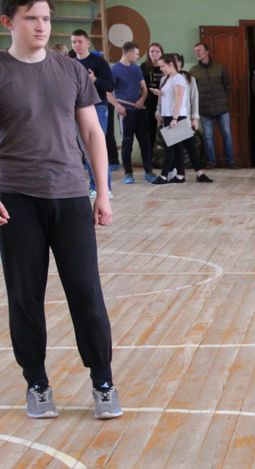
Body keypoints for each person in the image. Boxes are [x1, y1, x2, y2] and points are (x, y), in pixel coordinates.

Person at [0, 0, 121, 419]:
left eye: (46, 18)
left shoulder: (70, 70)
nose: (41, 26)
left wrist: (102, 192)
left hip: (70, 195)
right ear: (8, 22)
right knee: (24, 297)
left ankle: (103, 381)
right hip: (16, 199)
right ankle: (37, 383)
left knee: (87, 293)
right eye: (31, 18)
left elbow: (92, 132)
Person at [150, 53, 212, 185]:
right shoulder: (167, 78)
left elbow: (180, 100)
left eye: (162, 66)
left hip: (176, 117)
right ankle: (182, 175)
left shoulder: (179, 79)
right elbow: (170, 96)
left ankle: (164, 176)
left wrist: (175, 118)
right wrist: (160, 94)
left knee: (173, 148)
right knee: (179, 147)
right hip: (169, 116)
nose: (160, 69)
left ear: (170, 64)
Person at [71, 28, 113, 198]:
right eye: (74, 42)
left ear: (88, 43)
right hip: (76, 108)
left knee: (97, 145)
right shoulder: (70, 62)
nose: (77, 45)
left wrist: (95, 80)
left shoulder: (99, 62)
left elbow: (110, 86)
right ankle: (93, 185)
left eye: (80, 41)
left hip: (98, 106)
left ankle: (105, 187)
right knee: (84, 147)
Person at [109, 41, 155, 184]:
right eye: (136, 53)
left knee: (145, 142)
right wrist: (117, 105)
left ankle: (149, 172)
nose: (138, 56)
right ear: (128, 53)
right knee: (127, 143)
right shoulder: (115, 70)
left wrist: (142, 100)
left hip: (139, 111)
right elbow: (108, 93)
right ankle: (128, 174)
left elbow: (144, 89)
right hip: (125, 113)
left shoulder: (136, 69)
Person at [190, 41, 235, 169]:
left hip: (222, 107)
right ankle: (211, 162)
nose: (197, 53)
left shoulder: (220, 68)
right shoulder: (193, 71)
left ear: (207, 52)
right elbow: (192, 91)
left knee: (227, 134)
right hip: (204, 109)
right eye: (195, 51)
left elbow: (227, 86)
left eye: (199, 50)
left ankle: (230, 161)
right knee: (208, 136)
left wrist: (223, 100)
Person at [141, 42, 164, 157]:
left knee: (167, 131)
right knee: (149, 132)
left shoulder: (165, 65)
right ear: (148, 53)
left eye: (157, 51)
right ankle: (149, 159)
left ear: (162, 53)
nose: (154, 54)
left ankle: (168, 161)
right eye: (152, 51)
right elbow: (141, 86)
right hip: (149, 104)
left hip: (164, 103)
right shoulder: (144, 66)